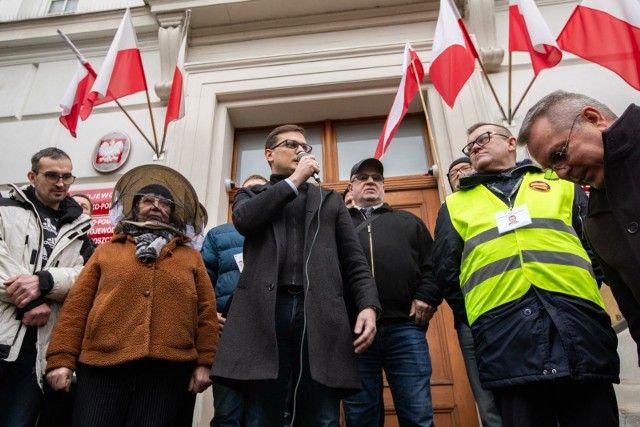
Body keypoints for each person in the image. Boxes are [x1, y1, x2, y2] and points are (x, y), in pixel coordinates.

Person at [433, 122, 620, 427]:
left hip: (577, 326)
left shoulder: (560, 183)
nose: (475, 147)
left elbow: (596, 246)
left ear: (510, 142)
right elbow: (447, 272)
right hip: (504, 338)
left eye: (482, 139)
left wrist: (578, 290)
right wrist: (484, 318)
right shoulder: (454, 206)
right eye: (469, 146)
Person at [210, 124, 380, 427]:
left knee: (323, 416)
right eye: (292, 144)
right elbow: (246, 222)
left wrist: (368, 305)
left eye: (305, 146)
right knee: (262, 414)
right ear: (269, 154)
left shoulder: (329, 201)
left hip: (319, 313)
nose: (302, 150)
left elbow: (354, 259)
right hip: (264, 314)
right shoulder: (250, 194)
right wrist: (294, 180)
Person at [45, 164, 219, 427]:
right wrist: (60, 360)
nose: (156, 206)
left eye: (164, 203)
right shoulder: (107, 251)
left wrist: (205, 362)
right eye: (147, 200)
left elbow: (206, 311)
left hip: (168, 369)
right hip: (102, 365)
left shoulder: (190, 257)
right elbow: (76, 308)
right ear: (135, 207)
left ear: (172, 212)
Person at [518, 90, 640, 367]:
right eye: (551, 169)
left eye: (559, 154)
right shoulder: (595, 221)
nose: (561, 173)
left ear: (593, 119)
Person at [342, 158, 439, 427]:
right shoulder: (337, 226)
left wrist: (427, 296)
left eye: (377, 178)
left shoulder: (409, 221)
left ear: (384, 186)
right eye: (363, 177)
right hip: (354, 332)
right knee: (361, 417)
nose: (371, 181)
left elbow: (433, 266)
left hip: (405, 329)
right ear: (351, 187)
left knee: (417, 415)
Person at [0, 147, 91, 427]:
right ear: (32, 176)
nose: (61, 183)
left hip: (37, 352)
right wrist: (27, 300)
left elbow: (86, 277)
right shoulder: (5, 208)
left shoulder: (80, 227)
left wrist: (45, 281)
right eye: (52, 175)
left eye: (67, 177)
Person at [201, 174, 267, 427]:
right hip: (228, 337)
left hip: (271, 335)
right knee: (228, 414)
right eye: (250, 191)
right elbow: (203, 282)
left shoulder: (282, 232)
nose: (256, 196)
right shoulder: (218, 235)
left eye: (263, 191)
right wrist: (207, 317)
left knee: (268, 415)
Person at [442, 157, 504, 427]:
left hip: (511, 310)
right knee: (489, 404)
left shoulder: (500, 200)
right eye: (452, 173)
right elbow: (445, 268)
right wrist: (466, 310)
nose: (458, 175)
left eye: (464, 169)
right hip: (473, 318)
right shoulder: (449, 210)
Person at [71, 193, 97, 263]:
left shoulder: (95, 252)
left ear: (90, 216)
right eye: (74, 205)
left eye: (84, 207)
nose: (78, 208)